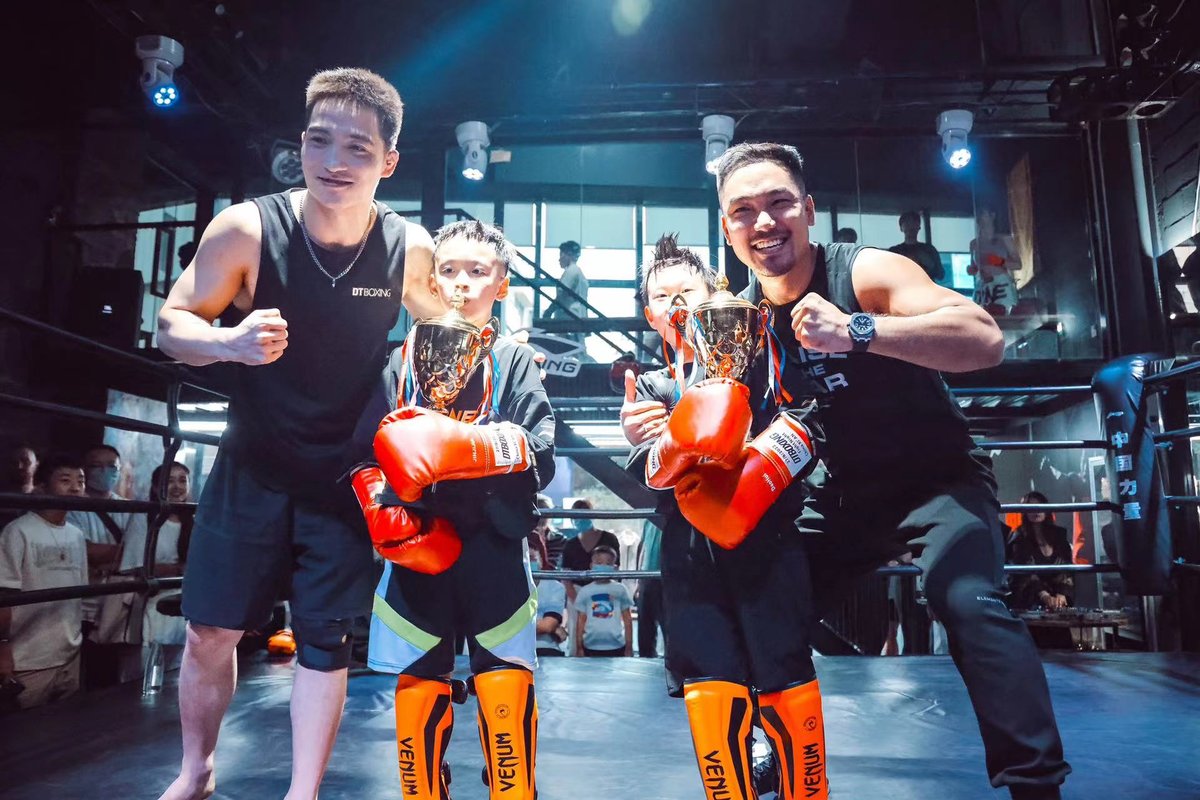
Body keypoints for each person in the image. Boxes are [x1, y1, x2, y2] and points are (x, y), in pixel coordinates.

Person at [696, 142, 1065, 799]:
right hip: (838, 492)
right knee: (760, 598)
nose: (764, 222)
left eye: (779, 203)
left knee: (968, 600)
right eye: (743, 211)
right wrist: (661, 436)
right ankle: (777, 743)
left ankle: (1035, 784)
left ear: (808, 210)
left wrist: (858, 331)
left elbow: (984, 338)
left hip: (935, 476)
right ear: (728, 229)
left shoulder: (861, 272)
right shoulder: (741, 323)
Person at [154, 67, 441, 800]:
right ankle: (196, 770)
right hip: (252, 462)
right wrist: (227, 343)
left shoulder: (408, 246)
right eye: (319, 142)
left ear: (389, 161)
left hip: (345, 475)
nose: (334, 162)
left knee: (324, 640)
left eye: (357, 147)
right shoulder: (249, 227)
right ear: (302, 145)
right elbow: (170, 323)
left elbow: (452, 332)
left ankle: (302, 791)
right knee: (208, 631)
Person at [622, 234, 825, 800]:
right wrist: (668, 444)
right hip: (689, 556)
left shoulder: (766, 354)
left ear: (716, 292)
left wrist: (756, 468)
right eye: (664, 297)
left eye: (688, 290)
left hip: (769, 543)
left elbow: (811, 422)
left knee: (785, 672)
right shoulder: (652, 387)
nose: (678, 304)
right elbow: (646, 474)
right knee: (708, 679)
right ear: (651, 316)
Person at [361, 219, 555, 800]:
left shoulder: (516, 361)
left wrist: (464, 447)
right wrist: (377, 505)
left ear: (502, 282)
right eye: (449, 271)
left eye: (478, 271)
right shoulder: (397, 363)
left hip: (494, 547)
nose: (463, 284)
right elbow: (359, 450)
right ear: (431, 281)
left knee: (504, 687)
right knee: (420, 684)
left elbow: (541, 449)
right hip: (416, 547)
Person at [0, 454, 88, 709]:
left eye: (80, 482)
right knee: (23, 732)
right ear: (42, 486)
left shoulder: (76, 535)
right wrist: (3, 650)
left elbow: (78, 593)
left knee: (62, 727)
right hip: (28, 655)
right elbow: (5, 592)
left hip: (69, 652)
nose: (75, 488)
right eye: (65, 480)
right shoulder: (19, 530)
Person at [1006, 492, 1074, 612]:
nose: (1036, 511)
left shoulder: (1058, 535)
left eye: (1039, 506)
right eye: (1030, 507)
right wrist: (1044, 595)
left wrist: (1062, 593)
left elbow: (1067, 567)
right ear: (1024, 511)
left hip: (1058, 598)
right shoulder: (1019, 537)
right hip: (1030, 600)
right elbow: (1022, 574)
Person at [572, 545, 633, 657]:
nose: (603, 566)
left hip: (617, 645)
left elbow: (628, 620)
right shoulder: (585, 591)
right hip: (590, 646)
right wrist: (579, 647)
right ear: (591, 566)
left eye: (608, 563)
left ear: (614, 567)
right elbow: (580, 621)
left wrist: (629, 647)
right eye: (599, 563)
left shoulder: (620, 589)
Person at [970, 206, 1021, 316]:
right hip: (983, 287)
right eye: (979, 215)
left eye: (984, 214)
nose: (981, 218)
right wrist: (972, 270)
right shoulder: (974, 243)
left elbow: (1018, 265)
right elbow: (973, 267)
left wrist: (998, 261)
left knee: (1004, 316)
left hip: (1001, 285)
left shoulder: (1005, 239)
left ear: (992, 216)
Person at [530, 530, 567, 658]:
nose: (527, 563)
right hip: (512, 651)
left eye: (532, 558)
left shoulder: (555, 587)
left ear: (541, 559)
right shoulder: (504, 586)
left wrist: (512, 629)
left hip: (546, 649)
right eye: (523, 558)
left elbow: (547, 626)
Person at [547, 240, 589, 344]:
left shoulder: (571, 271)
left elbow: (562, 294)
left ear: (569, 254)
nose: (559, 259)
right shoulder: (580, 274)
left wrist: (548, 311)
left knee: (566, 351)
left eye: (561, 254)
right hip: (578, 318)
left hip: (568, 320)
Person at [634, 518, 664, 658]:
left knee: (669, 623)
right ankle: (645, 657)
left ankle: (673, 662)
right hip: (647, 576)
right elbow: (642, 547)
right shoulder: (649, 519)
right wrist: (638, 579)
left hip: (667, 577)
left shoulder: (675, 516)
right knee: (645, 625)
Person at [889, 211, 944, 282]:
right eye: (907, 223)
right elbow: (887, 275)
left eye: (914, 223)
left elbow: (941, 275)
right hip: (903, 290)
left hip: (925, 290)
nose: (911, 226)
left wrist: (930, 264)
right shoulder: (894, 252)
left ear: (919, 227)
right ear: (901, 228)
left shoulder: (929, 250)